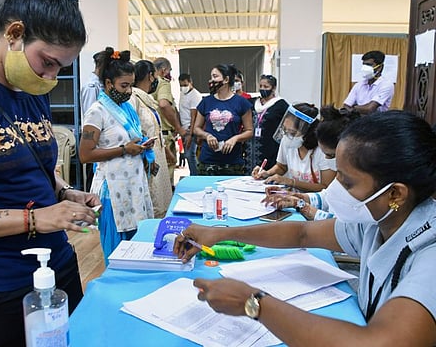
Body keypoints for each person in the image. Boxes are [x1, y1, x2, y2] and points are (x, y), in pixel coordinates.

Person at [175, 111, 436, 346]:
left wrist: (253, 303)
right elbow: (303, 233)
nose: (334, 190)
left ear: (396, 194)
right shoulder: (377, 221)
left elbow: (380, 342)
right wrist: (221, 233)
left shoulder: (429, 255)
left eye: (347, 182)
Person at [0, 0, 101, 346]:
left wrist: (65, 193)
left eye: (61, 69)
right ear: (15, 34)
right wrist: (35, 218)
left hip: (57, 265)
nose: (51, 77)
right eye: (48, 62)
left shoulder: (30, 88)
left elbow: (37, 163)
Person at [79, 48, 154, 263]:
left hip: (133, 186)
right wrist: (123, 150)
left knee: (138, 248)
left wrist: (142, 147)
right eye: (124, 86)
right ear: (109, 83)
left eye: (131, 85)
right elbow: (85, 155)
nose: (129, 90)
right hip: (113, 191)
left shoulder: (127, 108)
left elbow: (130, 139)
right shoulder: (97, 111)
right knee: (117, 253)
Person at [263, 105, 361, 220]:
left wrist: (301, 204)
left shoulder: (361, 184)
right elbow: (327, 196)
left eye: (331, 155)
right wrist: (295, 197)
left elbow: (339, 225)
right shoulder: (344, 177)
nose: (327, 159)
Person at [252, 103, 335, 192]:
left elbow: (326, 187)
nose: (287, 136)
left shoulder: (322, 150)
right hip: (292, 198)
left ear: (308, 132)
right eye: (285, 130)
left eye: (292, 133)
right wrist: (267, 173)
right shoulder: (287, 140)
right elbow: (281, 167)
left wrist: (291, 182)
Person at [193, 63, 253, 175]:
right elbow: (196, 128)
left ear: (226, 80)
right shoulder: (206, 102)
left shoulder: (241, 103)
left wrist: (235, 139)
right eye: (211, 77)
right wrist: (207, 135)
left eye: (215, 76)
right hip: (208, 160)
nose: (211, 80)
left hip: (233, 162)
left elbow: (249, 131)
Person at [131, 59, 172, 218]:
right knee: (152, 200)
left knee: (161, 199)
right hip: (147, 157)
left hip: (158, 154)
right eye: (155, 76)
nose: (156, 80)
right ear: (150, 76)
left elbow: (155, 130)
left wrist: (166, 150)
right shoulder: (133, 98)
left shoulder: (147, 100)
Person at [244, 74, 289, 174]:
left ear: (273, 88)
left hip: (270, 146)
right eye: (260, 86)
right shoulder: (252, 102)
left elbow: (288, 123)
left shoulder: (281, 104)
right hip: (250, 147)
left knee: (266, 174)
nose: (262, 89)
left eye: (266, 87)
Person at [152, 57, 186, 188]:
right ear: (163, 70)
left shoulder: (144, 85)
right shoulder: (162, 83)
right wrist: (179, 127)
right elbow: (164, 104)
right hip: (164, 136)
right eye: (169, 70)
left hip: (151, 137)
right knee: (166, 181)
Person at [80, 50, 104, 191]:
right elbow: (91, 116)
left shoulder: (99, 84)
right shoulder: (91, 87)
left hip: (100, 141)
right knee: (93, 181)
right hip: (93, 141)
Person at [343, 50, 394, 114]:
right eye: (364, 64)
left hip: (376, 122)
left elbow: (369, 109)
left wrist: (353, 107)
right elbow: (346, 106)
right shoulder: (358, 85)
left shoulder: (386, 85)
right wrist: (356, 109)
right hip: (357, 120)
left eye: (369, 65)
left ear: (380, 67)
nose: (365, 68)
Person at [178, 73, 202, 175]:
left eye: (185, 85)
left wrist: (191, 134)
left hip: (190, 128)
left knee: (190, 155)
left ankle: (196, 176)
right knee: (188, 155)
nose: (183, 87)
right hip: (184, 128)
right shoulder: (183, 94)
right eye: (181, 85)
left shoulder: (195, 95)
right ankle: (194, 174)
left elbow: (194, 116)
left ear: (190, 83)